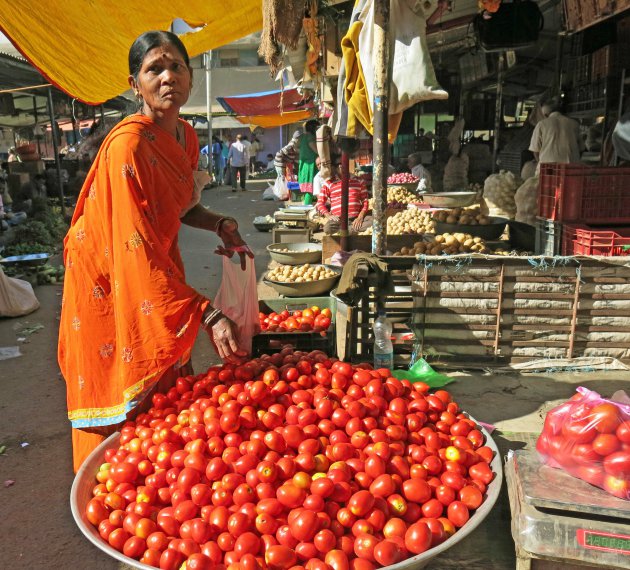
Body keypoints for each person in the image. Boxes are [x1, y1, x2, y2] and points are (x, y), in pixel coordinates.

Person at [58, 30, 254, 473]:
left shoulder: (185, 137)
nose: (169, 77)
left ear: (190, 76)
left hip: (147, 263)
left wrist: (220, 223)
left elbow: (183, 208)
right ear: (135, 84)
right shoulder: (128, 146)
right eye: (155, 69)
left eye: (177, 67)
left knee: (162, 393)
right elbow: (135, 245)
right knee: (123, 399)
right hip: (109, 278)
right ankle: (116, 498)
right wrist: (204, 310)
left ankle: (160, 490)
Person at [529, 98, 584, 172]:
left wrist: (541, 162)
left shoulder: (541, 124)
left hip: (548, 170)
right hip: (571, 170)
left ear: (546, 114)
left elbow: (535, 150)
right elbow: (581, 149)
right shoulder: (574, 124)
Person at [316, 160, 370, 234]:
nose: (340, 166)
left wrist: (360, 217)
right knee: (327, 228)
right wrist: (328, 215)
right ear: (335, 168)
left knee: (374, 221)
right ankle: (350, 230)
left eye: (342, 163)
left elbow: (365, 200)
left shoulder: (359, 181)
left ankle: (347, 230)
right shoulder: (329, 183)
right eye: (338, 164)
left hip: (355, 218)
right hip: (338, 220)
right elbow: (320, 203)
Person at [298, 119, 319, 194]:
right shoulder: (310, 136)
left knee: (309, 190)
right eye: (317, 128)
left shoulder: (303, 136)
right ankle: (307, 205)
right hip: (310, 166)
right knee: (310, 191)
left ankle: (307, 204)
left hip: (305, 165)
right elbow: (315, 150)